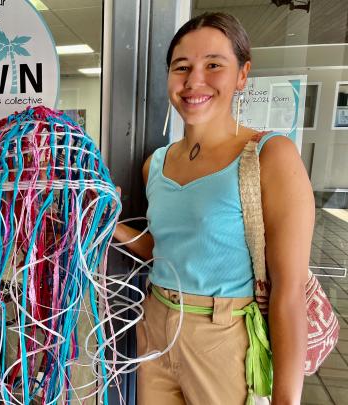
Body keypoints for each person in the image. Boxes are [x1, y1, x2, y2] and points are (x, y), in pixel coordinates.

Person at [113, 12, 313, 405]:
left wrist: (287, 399)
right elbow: (165, 252)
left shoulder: (270, 156)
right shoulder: (156, 163)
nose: (193, 81)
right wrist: (108, 224)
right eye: (181, 67)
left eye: (214, 65)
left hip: (224, 334)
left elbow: (288, 293)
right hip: (154, 326)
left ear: (242, 75)